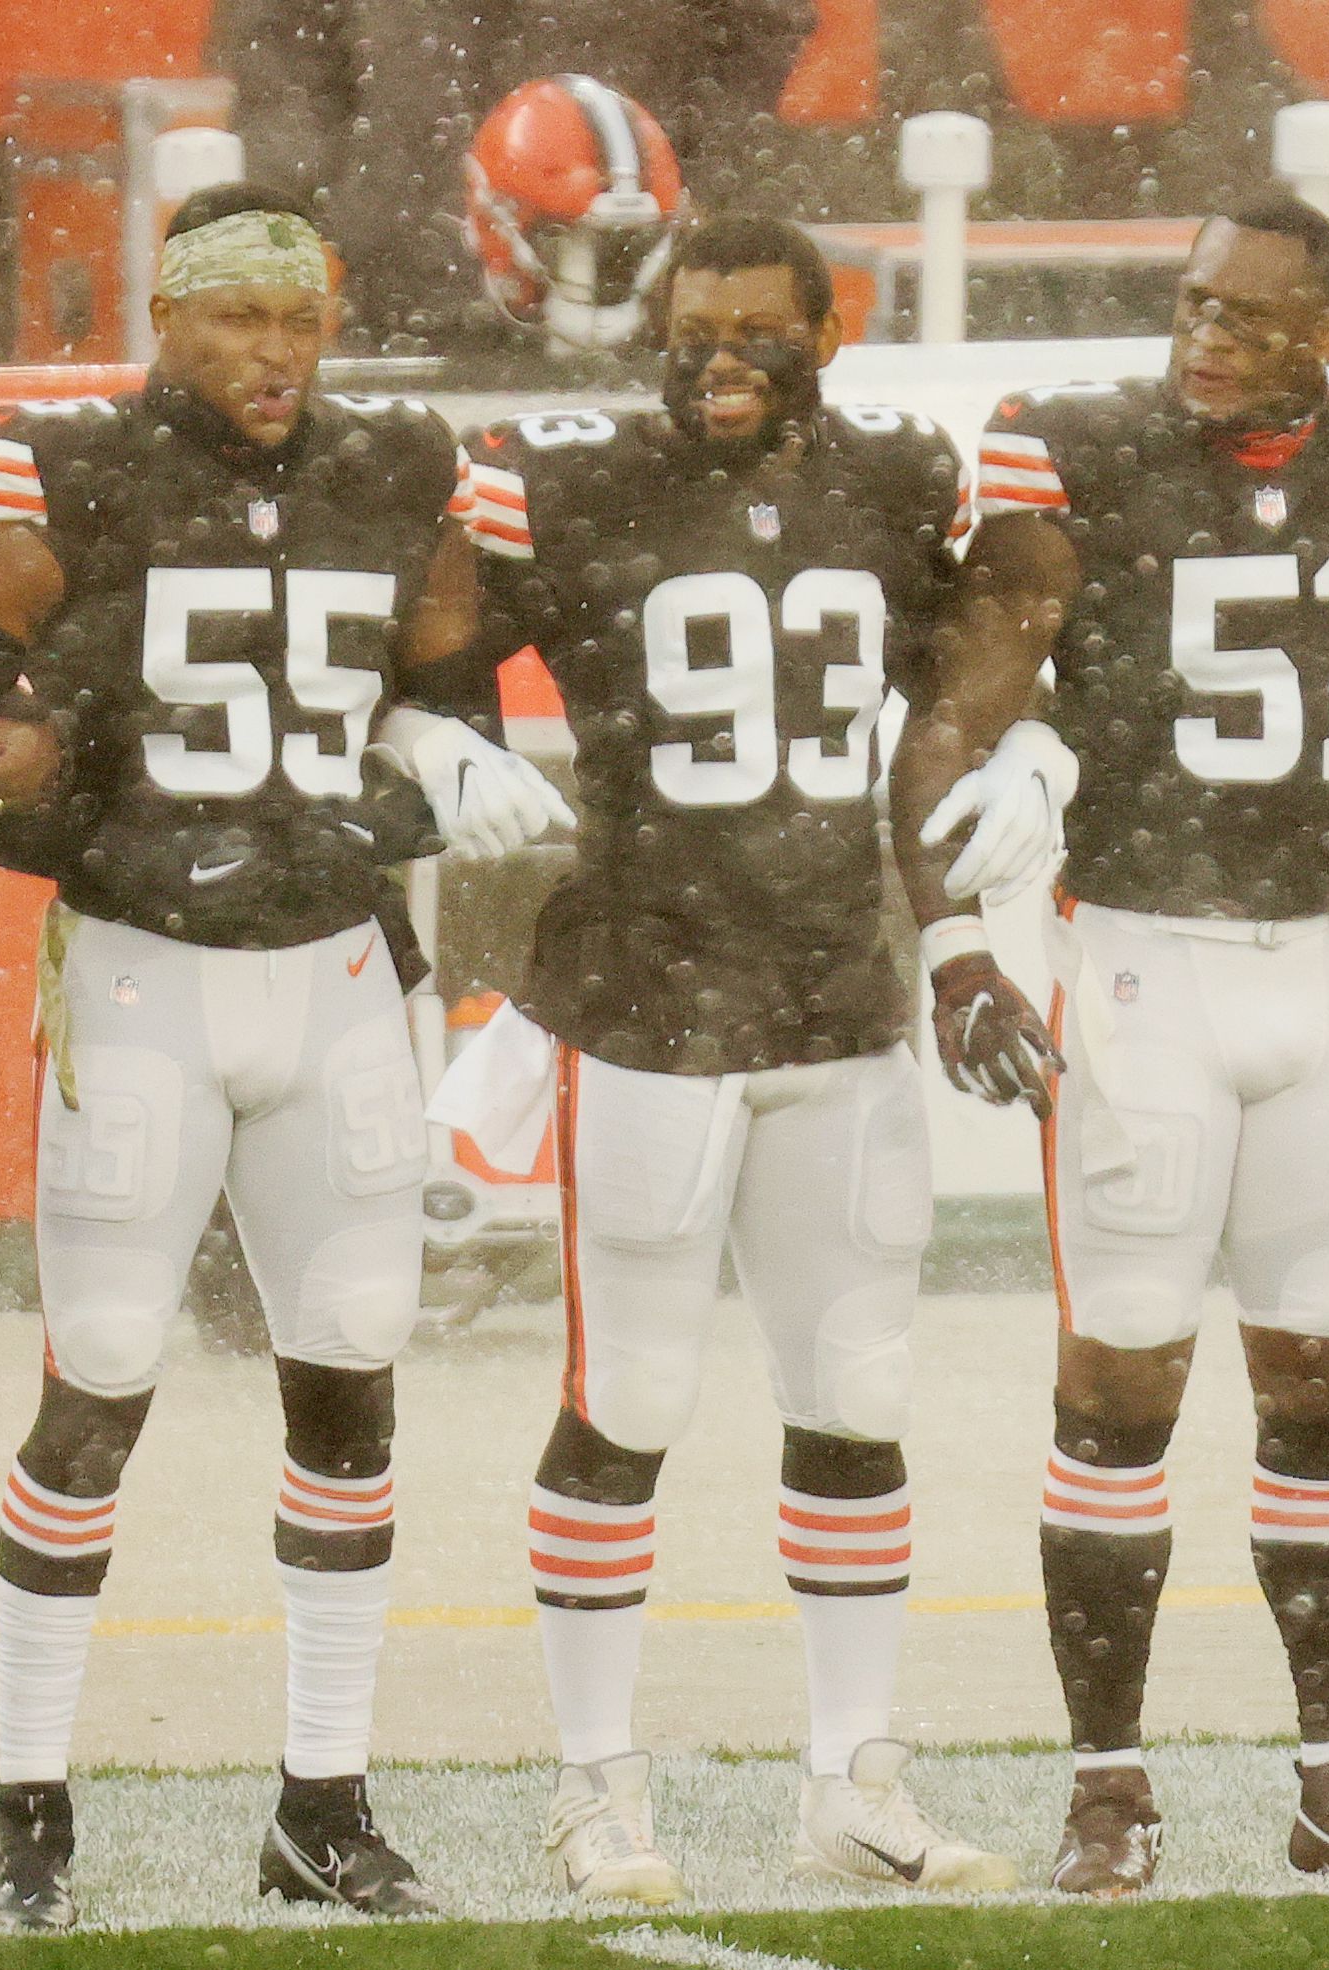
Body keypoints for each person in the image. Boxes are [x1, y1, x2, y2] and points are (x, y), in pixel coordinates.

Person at [0, 183, 568, 1929]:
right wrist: (57, 809)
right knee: (105, 1371)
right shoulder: (70, 465)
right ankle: (31, 1802)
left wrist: (441, 755)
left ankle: (323, 1803)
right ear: (167, 316)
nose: (276, 354)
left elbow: (443, 677)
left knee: (353, 1369)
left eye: (302, 318)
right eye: (239, 318)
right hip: (145, 967)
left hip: (340, 970)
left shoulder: (392, 463)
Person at [453, 214, 1048, 1902]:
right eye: (691, 327)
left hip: (834, 1004)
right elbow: (413, 633)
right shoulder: (563, 478)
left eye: (756, 331)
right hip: (646, 1004)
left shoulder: (898, 477)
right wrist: (440, 733)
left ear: (829, 332)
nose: (719, 357)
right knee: (626, 1396)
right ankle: (594, 1784)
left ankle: (851, 1775)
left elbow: (964, 692)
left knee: (855, 1396)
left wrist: (964, 918)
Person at [913, 196, 1329, 1894]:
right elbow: (957, 697)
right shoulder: (1080, 451)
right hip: (1146, 964)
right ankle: (1107, 1783)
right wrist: (954, 932)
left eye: (1250, 315)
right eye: (1193, 305)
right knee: (1120, 1387)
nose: (1207, 337)